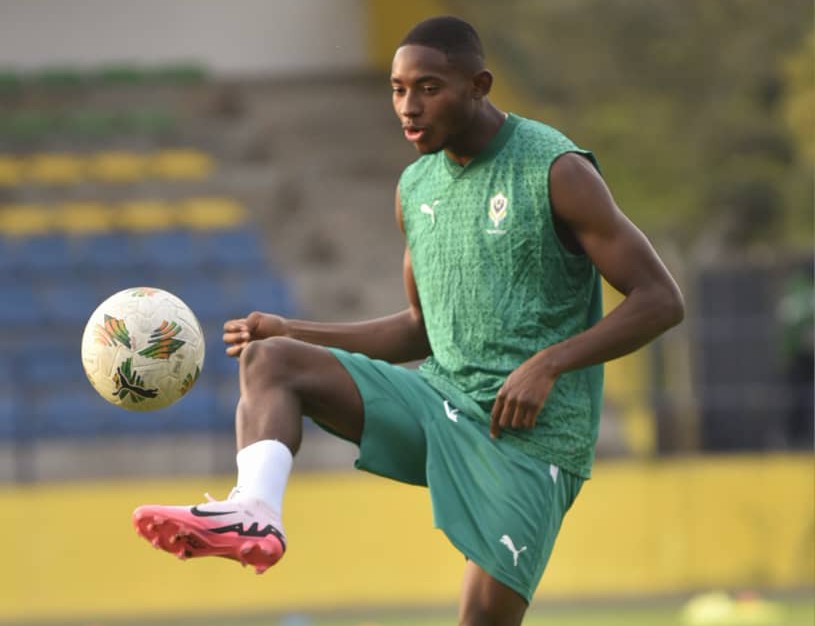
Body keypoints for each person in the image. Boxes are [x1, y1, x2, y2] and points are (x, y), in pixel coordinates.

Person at [133, 15, 684, 626]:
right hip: (439, 404)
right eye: (397, 89)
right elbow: (420, 329)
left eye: (428, 87)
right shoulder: (415, 187)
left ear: (479, 85)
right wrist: (293, 330)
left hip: (530, 439)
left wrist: (550, 363)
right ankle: (254, 512)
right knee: (274, 361)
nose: (408, 107)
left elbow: (660, 298)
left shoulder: (555, 170)